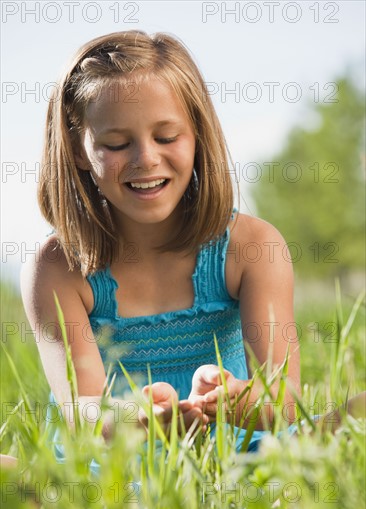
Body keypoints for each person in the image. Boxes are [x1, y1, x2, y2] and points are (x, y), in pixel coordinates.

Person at [18, 30, 353, 466]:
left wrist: (233, 400)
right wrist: (136, 415)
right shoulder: (57, 267)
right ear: (79, 151)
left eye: (167, 137)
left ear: (196, 134)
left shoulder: (251, 247)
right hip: (116, 467)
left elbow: (283, 398)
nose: (145, 159)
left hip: (245, 454)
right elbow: (83, 413)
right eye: (117, 144)